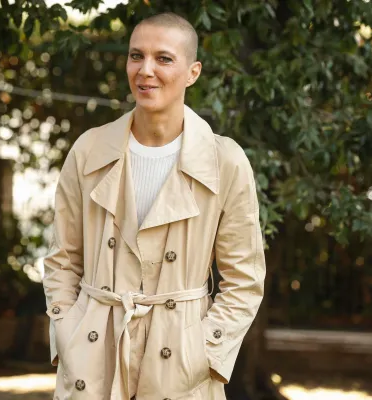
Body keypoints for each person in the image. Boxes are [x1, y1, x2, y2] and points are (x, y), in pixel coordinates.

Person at [42, 12, 266, 400]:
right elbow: (62, 259)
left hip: (180, 363)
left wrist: (204, 352)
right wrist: (67, 332)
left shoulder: (224, 161)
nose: (145, 70)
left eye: (163, 58)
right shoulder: (89, 150)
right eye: (136, 56)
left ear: (193, 72)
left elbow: (244, 278)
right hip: (95, 353)